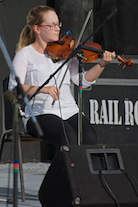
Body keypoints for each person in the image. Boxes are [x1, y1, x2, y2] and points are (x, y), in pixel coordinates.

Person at [8, 5, 115, 147]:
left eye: (58, 24)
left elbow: (82, 81)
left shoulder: (65, 53)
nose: (57, 29)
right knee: (68, 136)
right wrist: (42, 89)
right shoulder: (25, 55)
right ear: (37, 29)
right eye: (51, 26)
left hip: (69, 110)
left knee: (89, 138)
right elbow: (15, 89)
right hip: (39, 113)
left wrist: (101, 64)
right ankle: (65, 170)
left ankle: (81, 170)